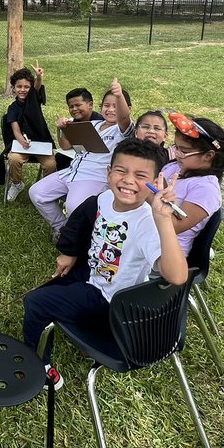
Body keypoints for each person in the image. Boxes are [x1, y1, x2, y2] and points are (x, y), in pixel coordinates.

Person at [21, 139, 188, 389]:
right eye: (121, 170)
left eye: (140, 175)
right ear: (108, 173)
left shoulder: (147, 223)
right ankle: (80, 329)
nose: (128, 180)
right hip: (92, 276)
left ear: (155, 184)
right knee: (44, 291)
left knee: (35, 302)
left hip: (110, 301)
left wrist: (163, 219)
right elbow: (84, 225)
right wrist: (70, 253)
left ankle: (40, 368)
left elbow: (177, 277)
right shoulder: (104, 198)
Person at [29, 79, 134, 242]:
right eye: (107, 105)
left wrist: (119, 94)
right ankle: (62, 228)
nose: (110, 109)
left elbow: (124, 117)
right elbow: (65, 146)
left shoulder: (123, 130)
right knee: (37, 193)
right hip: (71, 172)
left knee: (73, 207)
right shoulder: (93, 125)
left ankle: (77, 241)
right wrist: (62, 129)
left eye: (115, 105)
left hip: (93, 177)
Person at [162, 113, 224, 254]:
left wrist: (149, 196)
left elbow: (174, 227)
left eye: (184, 151)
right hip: (145, 238)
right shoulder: (175, 167)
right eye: (176, 147)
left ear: (208, 156)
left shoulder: (206, 189)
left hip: (166, 254)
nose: (177, 153)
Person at [3, 65, 56, 202]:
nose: (23, 90)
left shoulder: (34, 99)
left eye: (26, 87)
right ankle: (17, 184)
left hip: (40, 142)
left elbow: (37, 87)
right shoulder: (12, 108)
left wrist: (39, 77)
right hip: (23, 144)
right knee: (14, 159)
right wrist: (22, 141)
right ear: (13, 89)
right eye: (19, 86)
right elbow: (16, 130)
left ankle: (45, 189)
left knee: (51, 164)